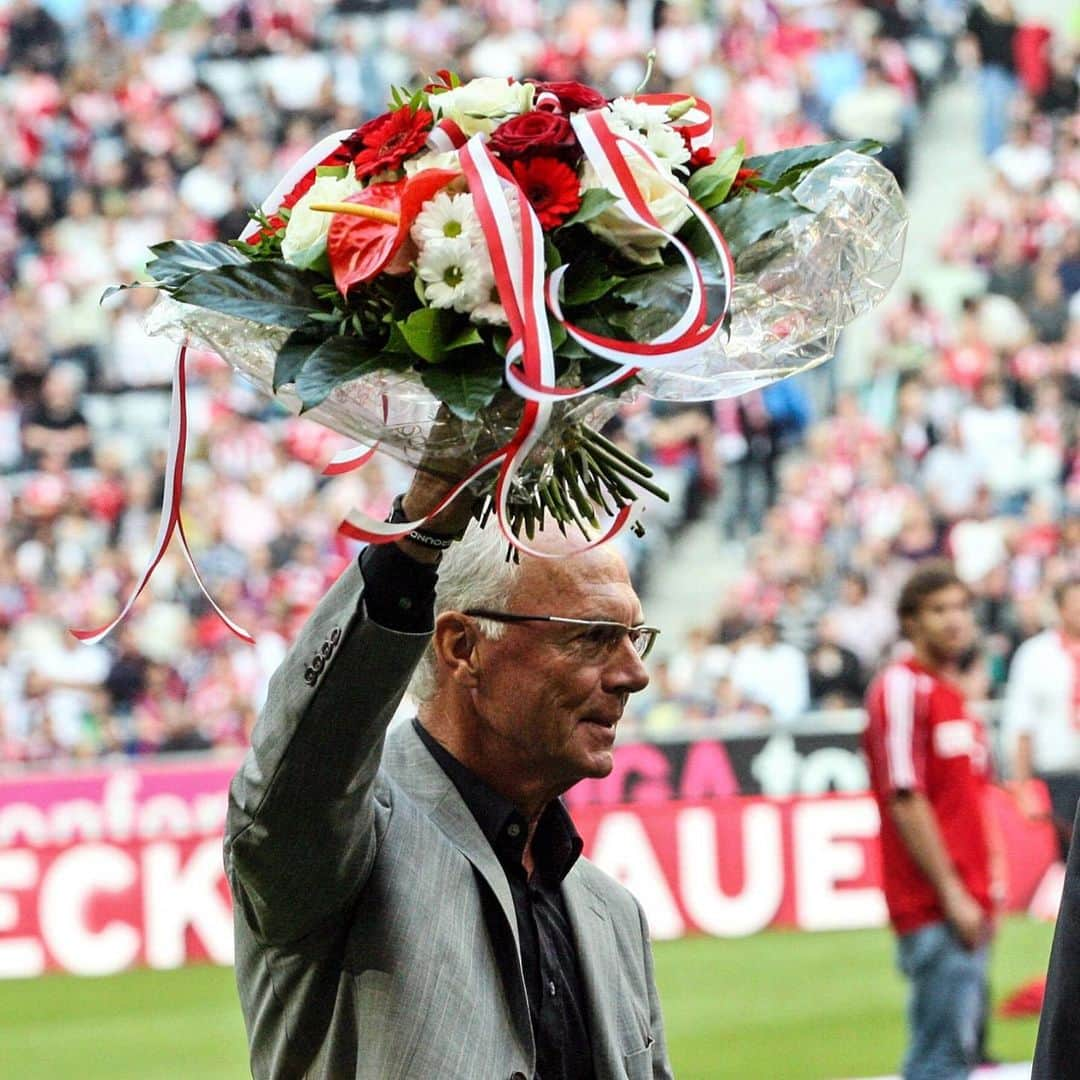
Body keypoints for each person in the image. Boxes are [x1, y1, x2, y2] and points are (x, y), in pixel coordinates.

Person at [224, 459, 672, 1079]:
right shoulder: (346, 848)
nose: (633, 674)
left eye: (633, 637)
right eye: (592, 637)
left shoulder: (613, 914)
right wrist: (422, 530)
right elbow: (303, 771)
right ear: (463, 647)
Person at [863, 561, 997, 1080]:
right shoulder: (902, 686)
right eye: (939, 609)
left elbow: (970, 800)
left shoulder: (951, 694)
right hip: (936, 903)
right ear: (910, 621)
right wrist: (953, 893)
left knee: (957, 1053)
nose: (955, 620)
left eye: (962, 607)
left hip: (969, 896)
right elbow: (904, 794)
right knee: (940, 1059)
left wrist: (990, 882)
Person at [1003, 577, 1080, 857]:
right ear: (1060, 610)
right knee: (1064, 866)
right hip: (1056, 779)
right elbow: (1021, 724)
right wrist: (1022, 787)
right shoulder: (1036, 654)